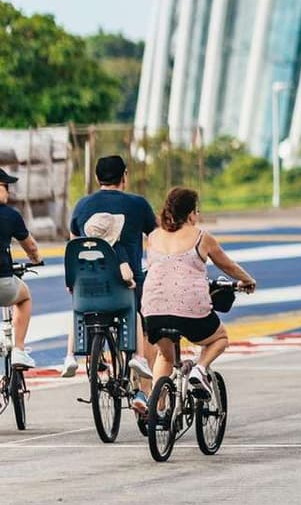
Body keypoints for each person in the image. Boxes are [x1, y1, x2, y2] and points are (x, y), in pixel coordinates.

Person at [142, 188, 256, 399]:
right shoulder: (201, 237)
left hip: (153, 310)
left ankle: (156, 411)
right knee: (220, 337)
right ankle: (200, 369)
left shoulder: (154, 236)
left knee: (165, 357)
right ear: (191, 214)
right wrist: (247, 281)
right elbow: (227, 266)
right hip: (190, 311)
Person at [67, 155, 158, 377]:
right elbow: (156, 239)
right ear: (124, 175)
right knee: (146, 327)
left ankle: (86, 356)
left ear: (97, 178)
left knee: (81, 313)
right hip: (128, 286)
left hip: (88, 287)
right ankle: (143, 392)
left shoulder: (82, 205)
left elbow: (73, 243)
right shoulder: (138, 204)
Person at [0, 168, 42, 368]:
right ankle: (18, 349)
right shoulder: (10, 216)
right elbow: (31, 247)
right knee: (24, 296)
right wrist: (36, 258)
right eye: (6, 186)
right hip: (3, 282)